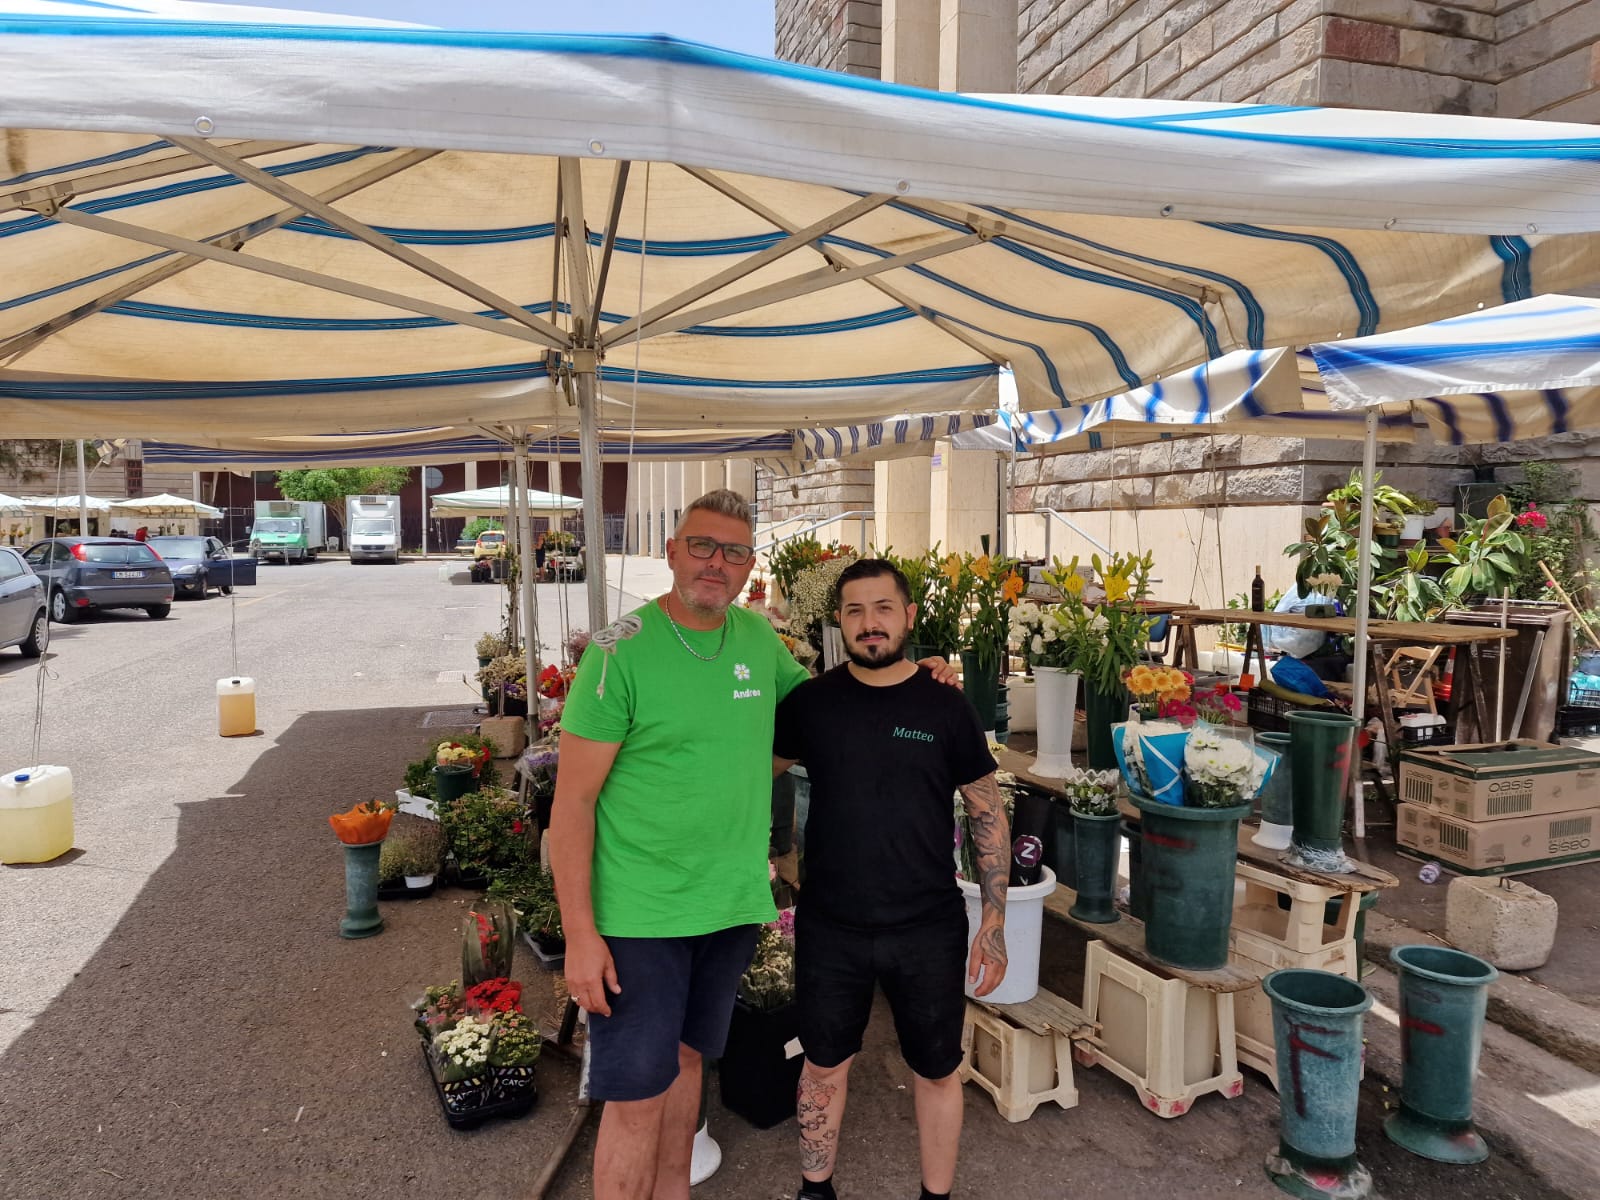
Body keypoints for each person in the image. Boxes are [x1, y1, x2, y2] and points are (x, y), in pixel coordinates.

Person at [549, 489, 812, 1200]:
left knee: (690, 1064)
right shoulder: (619, 653)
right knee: (635, 1099)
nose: (715, 563)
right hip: (640, 914)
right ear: (670, 552)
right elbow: (570, 804)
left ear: (749, 565)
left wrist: (919, 678)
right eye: (702, 545)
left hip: (726, 905)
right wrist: (579, 934)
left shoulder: (759, 641)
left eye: (732, 552)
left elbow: (819, 714)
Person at [772, 558, 1011, 1200]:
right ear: (839, 623)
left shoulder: (945, 704)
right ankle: (815, 1190)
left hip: (927, 926)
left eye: (882, 609)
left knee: (937, 1069)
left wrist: (993, 920)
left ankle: (937, 1195)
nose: (869, 624)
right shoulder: (811, 704)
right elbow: (752, 777)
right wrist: (767, 851)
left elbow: (986, 810)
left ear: (908, 617)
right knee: (823, 1065)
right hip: (831, 926)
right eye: (854, 611)